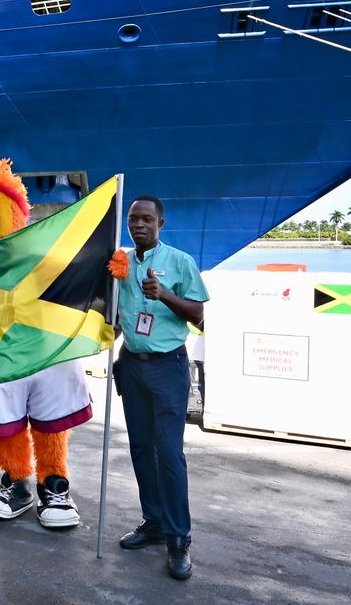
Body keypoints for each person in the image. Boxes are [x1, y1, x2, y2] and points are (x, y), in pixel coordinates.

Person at [113, 196, 209, 581]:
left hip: (168, 366)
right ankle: (153, 522)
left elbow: (199, 315)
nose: (138, 225)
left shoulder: (180, 262)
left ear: (160, 224)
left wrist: (165, 295)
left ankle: (178, 537)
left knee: (168, 453)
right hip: (132, 364)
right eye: (133, 219)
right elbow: (116, 312)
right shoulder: (120, 263)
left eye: (146, 219)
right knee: (140, 448)